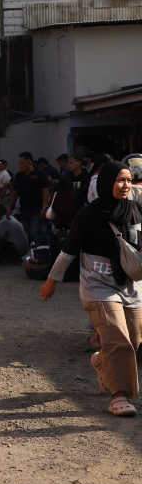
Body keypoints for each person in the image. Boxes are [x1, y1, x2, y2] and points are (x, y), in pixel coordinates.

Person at [41, 161, 142, 417]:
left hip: (131, 285)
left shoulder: (136, 210)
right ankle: (119, 396)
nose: (126, 185)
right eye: (120, 180)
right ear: (108, 182)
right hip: (98, 286)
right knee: (117, 336)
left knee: (133, 339)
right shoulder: (88, 214)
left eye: (129, 180)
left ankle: (101, 359)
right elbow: (69, 250)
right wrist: (52, 281)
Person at [7, 151, 50, 238]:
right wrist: (9, 207)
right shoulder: (19, 175)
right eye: (19, 163)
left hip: (37, 209)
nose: (19, 165)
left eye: (21, 163)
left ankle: (36, 250)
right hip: (24, 209)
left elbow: (45, 192)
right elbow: (15, 192)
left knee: (35, 233)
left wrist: (44, 207)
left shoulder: (40, 174)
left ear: (29, 162)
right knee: (25, 233)